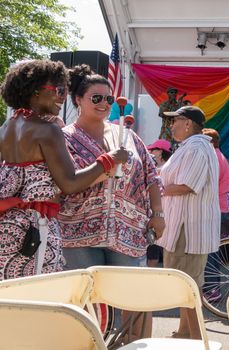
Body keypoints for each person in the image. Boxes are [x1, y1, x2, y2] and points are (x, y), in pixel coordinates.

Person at [58, 65, 164, 339]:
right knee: (84, 301)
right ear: (78, 100)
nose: (104, 103)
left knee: (134, 300)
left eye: (108, 98)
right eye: (96, 98)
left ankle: (135, 346)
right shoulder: (63, 139)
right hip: (78, 232)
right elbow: (64, 181)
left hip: (127, 231)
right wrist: (104, 166)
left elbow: (151, 176)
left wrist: (158, 213)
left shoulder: (127, 136)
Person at [0, 59, 127, 281]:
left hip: (7, 227)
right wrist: (107, 160)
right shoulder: (47, 130)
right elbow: (69, 183)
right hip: (35, 231)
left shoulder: (6, 127)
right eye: (58, 90)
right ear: (35, 90)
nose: (62, 97)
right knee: (40, 298)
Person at [157, 106, 220, 340]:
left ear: (188, 123)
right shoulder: (192, 147)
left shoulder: (197, 148)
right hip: (182, 226)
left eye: (175, 121)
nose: (171, 125)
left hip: (188, 228)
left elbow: (186, 186)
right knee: (185, 285)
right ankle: (185, 332)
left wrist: (157, 187)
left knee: (188, 285)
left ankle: (195, 338)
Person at [201, 128, 229, 303]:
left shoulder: (214, 158)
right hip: (217, 207)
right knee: (210, 249)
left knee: (209, 250)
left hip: (214, 208)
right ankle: (211, 287)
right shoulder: (217, 156)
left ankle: (212, 289)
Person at [145, 139, 171, 268]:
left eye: (153, 149)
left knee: (157, 249)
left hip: (163, 214)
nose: (150, 152)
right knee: (152, 248)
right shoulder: (154, 168)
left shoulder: (166, 169)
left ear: (161, 152)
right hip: (158, 213)